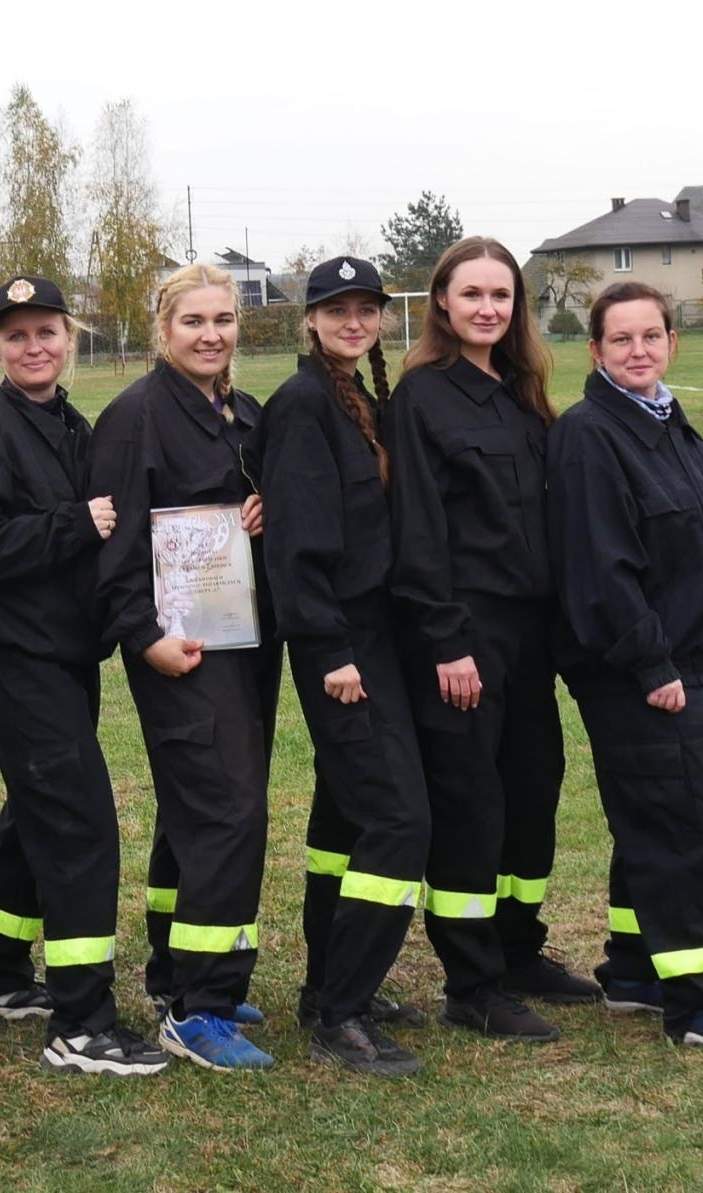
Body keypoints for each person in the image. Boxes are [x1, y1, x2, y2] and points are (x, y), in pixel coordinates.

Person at [0, 275, 170, 1076]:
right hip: (18, 657)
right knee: (79, 826)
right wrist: (69, 526)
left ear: (69, 337)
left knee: (34, 813)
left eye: (47, 331)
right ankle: (82, 1020)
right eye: (16, 335)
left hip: (67, 656)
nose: (33, 346)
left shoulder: (68, 424)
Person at [547, 282, 703, 1055]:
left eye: (651, 335)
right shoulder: (590, 434)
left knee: (653, 819)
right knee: (690, 827)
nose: (638, 351)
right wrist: (652, 665)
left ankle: (636, 968)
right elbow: (601, 571)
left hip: (696, 666)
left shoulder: (669, 424)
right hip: (644, 674)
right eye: (621, 340)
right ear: (595, 352)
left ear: (672, 342)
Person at [384, 236, 599, 1042]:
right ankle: (470, 980)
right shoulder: (423, 397)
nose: (486, 308)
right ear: (441, 301)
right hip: (463, 628)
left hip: (529, 630)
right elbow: (421, 531)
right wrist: (446, 639)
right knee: (471, 803)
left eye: (501, 295)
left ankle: (518, 948)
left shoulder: (520, 390)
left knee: (533, 787)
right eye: (471, 293)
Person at [88, 262, 281, 1071]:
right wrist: (142, 635)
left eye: (224, 320)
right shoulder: (136, 416)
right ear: (163, 329)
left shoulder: (242, 411)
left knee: (197, 810)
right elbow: (116, 547)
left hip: (245, 642)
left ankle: (176, 973)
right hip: (180, 649)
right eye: (193, 321)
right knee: (226, 812)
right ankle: (200, 1008)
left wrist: (265, 510)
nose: (211, 335)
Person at [259, 257, 430, 1076]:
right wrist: (329, 652)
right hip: (341, 643)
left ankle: (328, 981)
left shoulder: (355, 394)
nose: (355, 321)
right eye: (338, 309)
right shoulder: (302, 404)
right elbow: (295, 544)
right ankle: (343, 1011)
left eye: (367, 308)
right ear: (312, 319)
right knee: (399, 820)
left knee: (345, 824)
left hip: (378, 635)